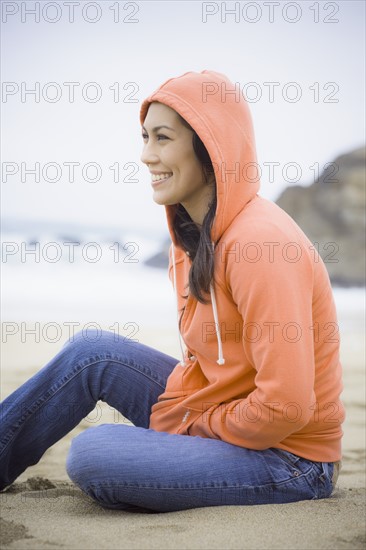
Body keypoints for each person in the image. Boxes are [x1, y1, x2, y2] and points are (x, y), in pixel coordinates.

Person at [0, 70, 344, 512]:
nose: (146, 155)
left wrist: (191, 421)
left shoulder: (261, 246)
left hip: (290, 458)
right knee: (92, 351)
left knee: (94, 453)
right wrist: (190, 413)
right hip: (220, 411)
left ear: (210, 146)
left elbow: (287, 407)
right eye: (144, 137)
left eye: (162, 138)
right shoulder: (191, 236)